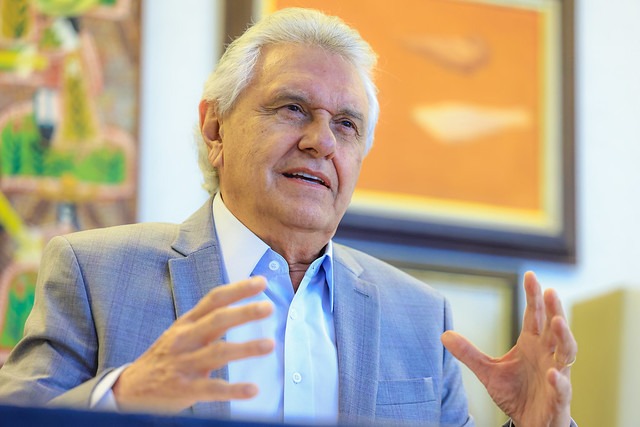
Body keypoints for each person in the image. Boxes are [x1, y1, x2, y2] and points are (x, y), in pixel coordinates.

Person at [0, 7, 577, 427]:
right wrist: (122, 396)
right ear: (215, 128)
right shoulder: (95, 272)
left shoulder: (422, 319)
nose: (320, 141)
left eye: (346, 125)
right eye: (292, 108)